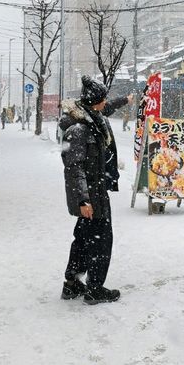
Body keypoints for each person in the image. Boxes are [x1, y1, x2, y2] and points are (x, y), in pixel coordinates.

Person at [59, 76, 121, 305]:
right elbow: (74, 168)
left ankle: (72, 283)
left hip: (96, 190)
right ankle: (94, 288)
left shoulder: (92, 119)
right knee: (101, 241)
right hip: (91, 195)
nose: (106, 103)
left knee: (84, 239)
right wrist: (84, 201)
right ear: (96, 101)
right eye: (103, 99)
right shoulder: (80, 129)